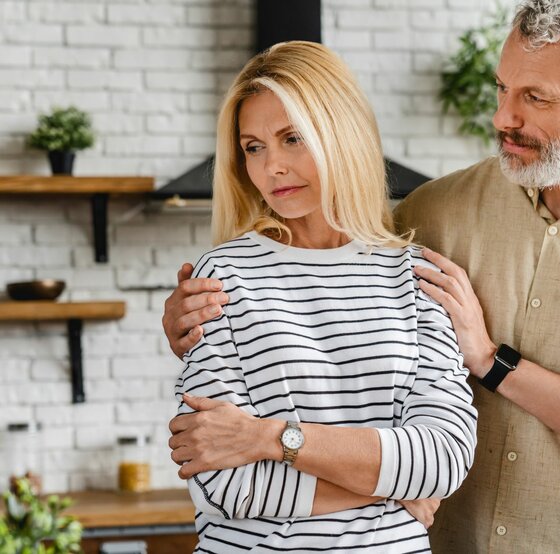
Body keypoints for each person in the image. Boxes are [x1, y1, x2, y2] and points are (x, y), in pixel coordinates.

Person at [164, 1, 560, 552]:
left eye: (534, 97)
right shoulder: (434, 211)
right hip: (445, 536)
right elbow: (328, 262)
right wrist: (187, 321)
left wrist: (490, 360)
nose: (504, 117)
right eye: (502, 90)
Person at [166, 40, 477, 553]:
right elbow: (224, 485)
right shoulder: (221, 279)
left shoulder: (416, 277)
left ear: (341, 134)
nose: (272, 168)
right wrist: (391, 486)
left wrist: (272, 438)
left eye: (292, 138)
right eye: (253, 147)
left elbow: (443, 460)